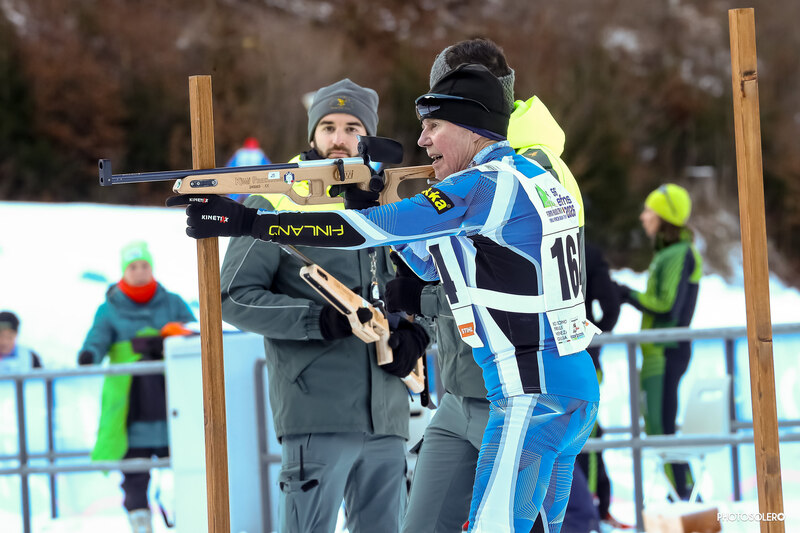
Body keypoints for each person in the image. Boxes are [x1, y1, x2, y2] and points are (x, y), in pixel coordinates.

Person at [169, 63, 600, 533]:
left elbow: (364, 231)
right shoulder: (529, 177)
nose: (423, 140)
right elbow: (433, 265)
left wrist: (251, 223)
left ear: (471, 127)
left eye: (434, 126)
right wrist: (374, 210)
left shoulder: (483, 184)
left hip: (528, 393)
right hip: (564, 385)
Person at [384, 37, 599, 533]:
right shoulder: (466, 158)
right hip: (462, 386)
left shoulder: (527, 167)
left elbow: (538, 284)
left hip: (516, 386)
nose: (427, 133)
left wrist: (425, 300)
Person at [215, 78, 428, 533]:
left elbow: (421, 287)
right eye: (328, 127)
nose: (339, 139)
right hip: (316, 412)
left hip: (389, 415)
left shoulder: (387, 201)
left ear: (368, 136)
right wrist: (318, 320)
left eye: (352, 128)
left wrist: (415, 333)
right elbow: (232, 297)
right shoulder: (274, 199)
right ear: (312, 133)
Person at [77, 241, 195, 533]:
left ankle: (191, 516)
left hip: (172, 397)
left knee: (187, 463)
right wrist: (89, 354)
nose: (140, 272)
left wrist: (172, 337)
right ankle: (140, 523)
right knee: (134, 471)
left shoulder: (172, 302)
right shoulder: (109, 309)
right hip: (129, 402)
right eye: (133, 267)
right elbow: (97, 340)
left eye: (144, 265)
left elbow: (195, 333)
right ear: (123, 271)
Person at [615, 183, 702, 501]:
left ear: (665, 216)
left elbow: (666, 306)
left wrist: (627, 294)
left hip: (666, 352)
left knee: (661, 428)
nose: (643, 217)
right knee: (658, 427)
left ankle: (684, 498)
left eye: (649, 210)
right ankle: (681, 497)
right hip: (658, 353)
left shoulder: (679, 253)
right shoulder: (669, 253)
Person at [575, 241, 627, 528]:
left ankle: (591, 507)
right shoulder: (588, 251)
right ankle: (594, 507)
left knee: (571, 433)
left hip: (543, 357)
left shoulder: (530, 242)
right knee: (587, 431)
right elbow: (611, 307)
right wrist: (593, 339)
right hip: (583, 357)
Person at [225, 137, 272, 202]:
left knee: (232, 199)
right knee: (253, 199)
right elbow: (268, 168)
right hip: (253, 181)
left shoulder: (240, 154)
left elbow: (230, 166)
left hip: (239, 180)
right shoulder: (259, 155)